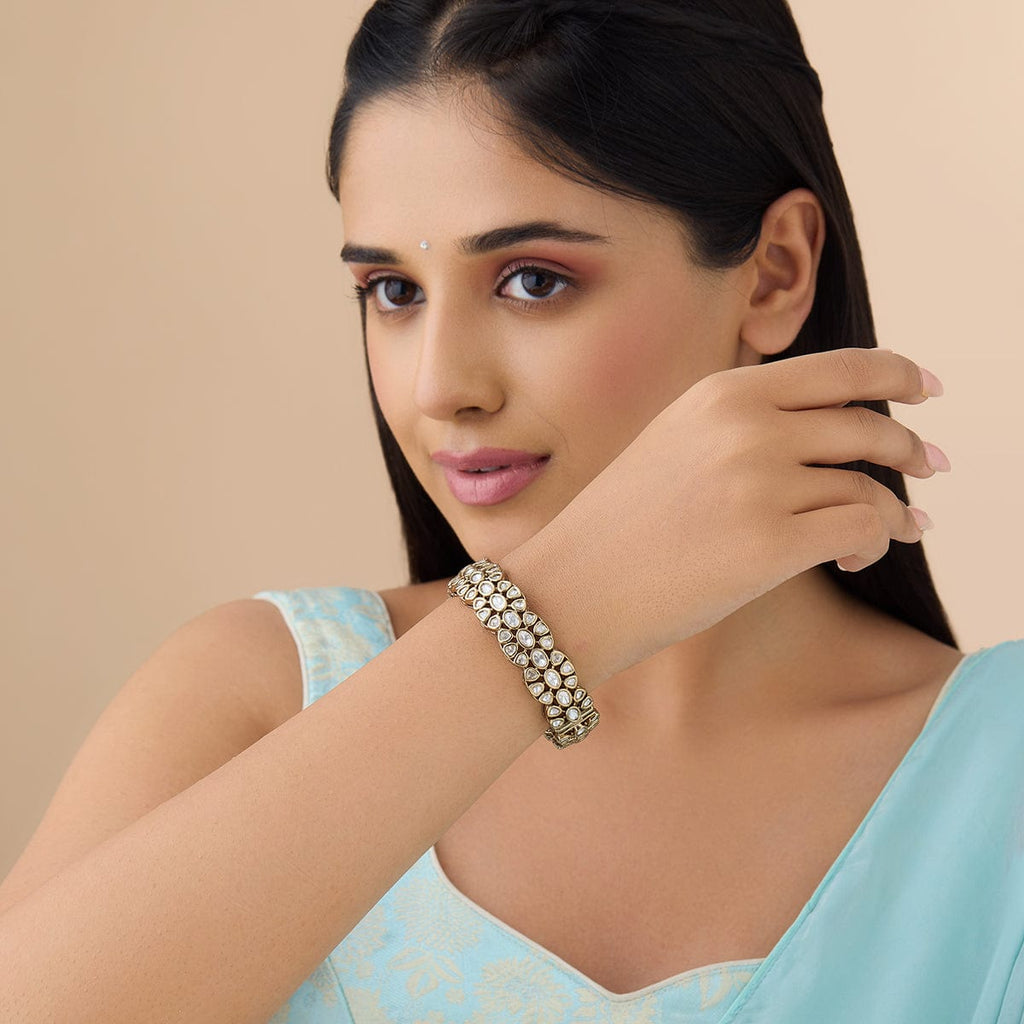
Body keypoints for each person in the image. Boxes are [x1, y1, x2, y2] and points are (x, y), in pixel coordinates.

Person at [1, 1, 1021, 1021]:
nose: (440, 385)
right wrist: (561, 614)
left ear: (775, 273)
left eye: (533, 281)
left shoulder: (999, 773)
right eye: (393, 291)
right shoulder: (260, 696)